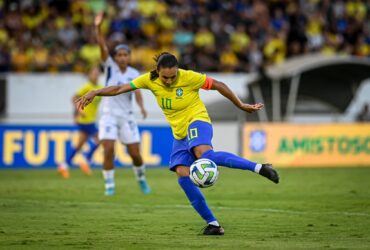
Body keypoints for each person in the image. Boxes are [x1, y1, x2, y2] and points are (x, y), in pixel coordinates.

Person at [76, 52, 280, 235]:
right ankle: (213, 224)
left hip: (197, 121)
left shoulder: (189, 77)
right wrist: (96, 92)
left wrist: (241, 105)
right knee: (183, 175)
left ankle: (260, 167)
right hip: (180, 134)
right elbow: (120, 87)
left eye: (173, 76)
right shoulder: (149, 79)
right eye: (165, 77)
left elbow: (218, 85)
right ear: (157, 71)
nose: (169, 80)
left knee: (204, 154)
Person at [94, 13, 150, 196]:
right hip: (109, 115)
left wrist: (141, 106)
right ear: (115, 57)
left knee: (135, 153)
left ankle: (141, 178)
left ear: (129, 57)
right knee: (108, 149)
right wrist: (98, 28)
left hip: (127, 116)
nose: (122, 57)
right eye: (119, 54)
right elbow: (102, 46)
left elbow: (137, 91)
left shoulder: (134, 73)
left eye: (125, 54)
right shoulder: (109, 66)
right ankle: (109, 184)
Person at [58, 66, 102, 179]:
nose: (96, 75)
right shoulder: (87, 87)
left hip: (90, 119)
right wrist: (78, 111)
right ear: (89, 75)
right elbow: (74, 98)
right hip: (86, 120)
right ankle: (86, 160)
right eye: (93, 73)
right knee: (100, 139)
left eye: (97, 73)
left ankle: (64, 165)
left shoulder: (100, 87)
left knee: (79, 145)